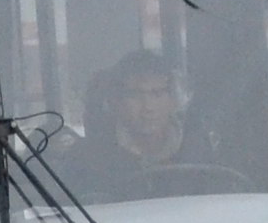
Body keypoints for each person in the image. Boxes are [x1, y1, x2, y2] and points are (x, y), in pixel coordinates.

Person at [64, 50, 221, 201]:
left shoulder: (201, 150)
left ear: (173, 100)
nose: (148, 107)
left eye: (157, 94)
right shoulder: (88, 158)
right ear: (115, 102)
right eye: (135, 95)